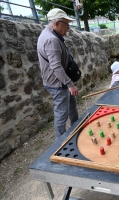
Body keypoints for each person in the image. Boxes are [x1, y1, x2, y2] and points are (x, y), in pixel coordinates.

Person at [37, 8, 79, 142]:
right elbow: (56, 66)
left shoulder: (50, 34)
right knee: (62, 113)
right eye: (66, 24)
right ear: (56, 23)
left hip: (61, 81)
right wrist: (70, 84)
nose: (68, 28)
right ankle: (60, 143)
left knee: (72, 105)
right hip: (58, 83)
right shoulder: (51, 39)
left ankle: (76, 128)